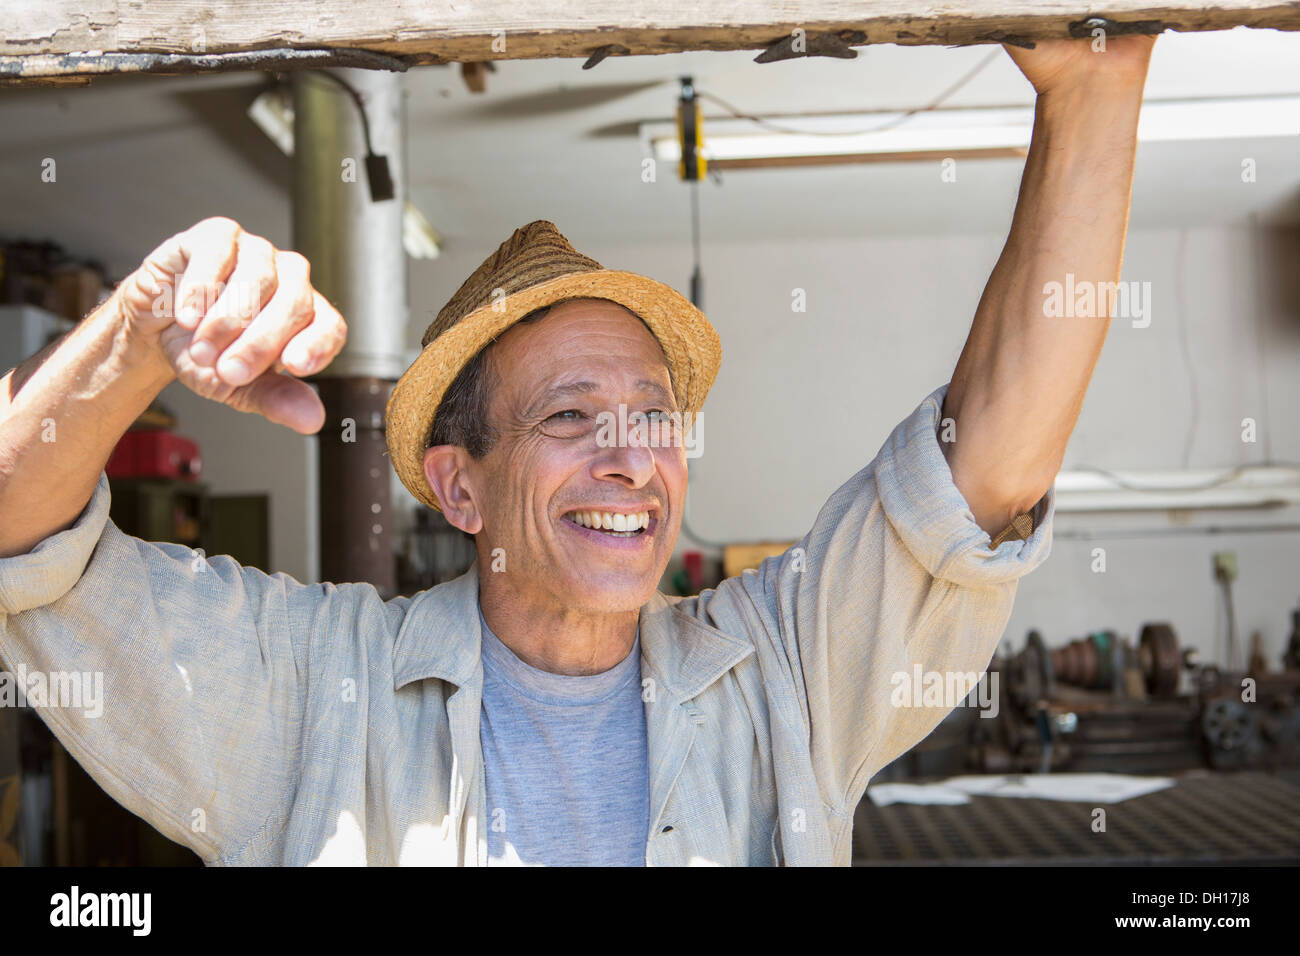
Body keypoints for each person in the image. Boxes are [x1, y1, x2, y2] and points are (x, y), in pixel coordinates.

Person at [0, 35, 1155, 865]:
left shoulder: (784, 675)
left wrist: (1095, 97)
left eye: (652, 412)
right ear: (460, 483)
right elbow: (22, 542)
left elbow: (987, 469)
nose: (628, 454)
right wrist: (143, 326)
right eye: (566, 415)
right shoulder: (317, 694)